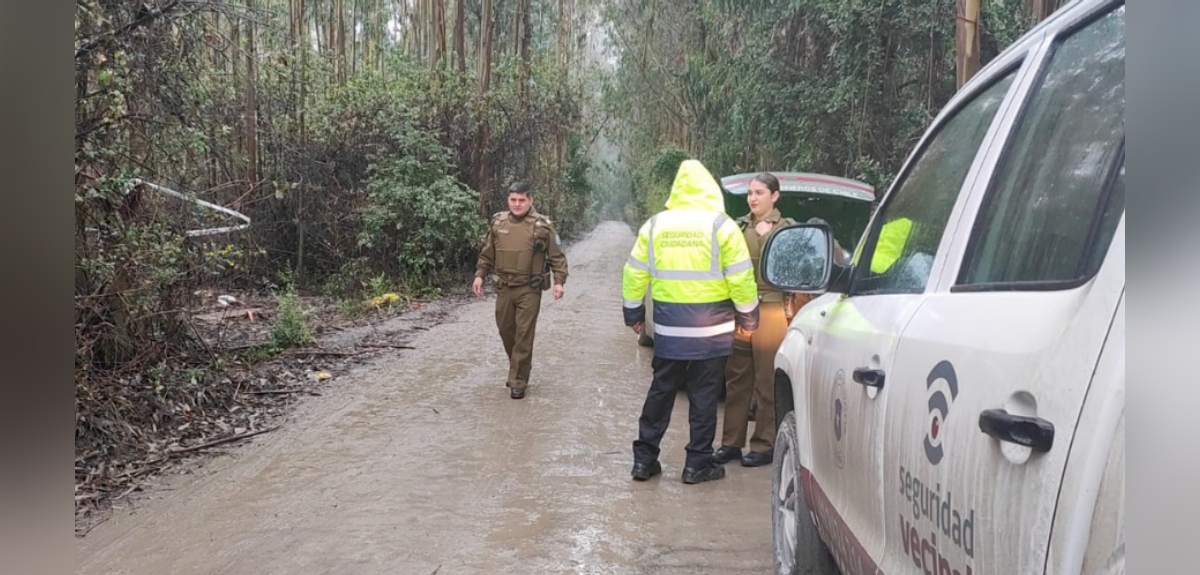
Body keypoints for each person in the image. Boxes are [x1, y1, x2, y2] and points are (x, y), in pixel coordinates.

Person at [622, 159, 760, 484]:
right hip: (712, 332)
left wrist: (634, 314)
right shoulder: (721, 226)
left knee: (661, 391)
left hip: (670, 330)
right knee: (704, 397)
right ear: (710, 187)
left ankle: (644, 460)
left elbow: (634, 272)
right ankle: (697, 464)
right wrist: (749, 317)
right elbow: (741, 278)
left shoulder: (656, 225)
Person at [713, 173, 795, 468]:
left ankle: (763, 444)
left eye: (759, 192)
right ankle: (731, 443)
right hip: (741, 310)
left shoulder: (787, 230)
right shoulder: (737, 228)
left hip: (772, 309)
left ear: (775, 196)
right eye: (750, 193)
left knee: (766, 380)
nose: (753, 198)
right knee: (736, 379)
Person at [473, 182, 568, 399]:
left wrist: (559, 281)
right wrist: (479, 275)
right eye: (513, 200)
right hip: (504, 287)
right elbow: (488, 253)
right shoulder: (498, 223)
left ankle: (518, 381)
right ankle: (519, 366)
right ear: (508, 200)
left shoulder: (542, 226)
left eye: (522, 200)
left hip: (529, 289)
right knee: (506, 331)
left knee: (524, 334)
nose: (517, 204)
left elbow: (557, 257)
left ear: (530, 200)